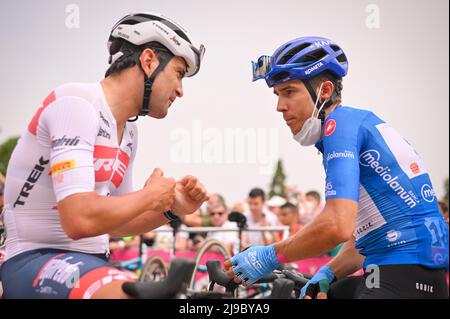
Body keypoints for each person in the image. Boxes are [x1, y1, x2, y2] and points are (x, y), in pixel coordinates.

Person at [0, 12, 208, 299]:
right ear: (148, 61)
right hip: (34, 258)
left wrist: (170, 209)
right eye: (179, 73)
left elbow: (118, 222)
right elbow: (79, 220)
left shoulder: (129, 132)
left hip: (92, 260)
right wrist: (149, 196)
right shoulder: (76, 104)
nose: (181, 91)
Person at [225, 36, 449, 299]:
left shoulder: (339, 125)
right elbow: (369, 233)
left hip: (400, 276)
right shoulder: (360, 124)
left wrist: (269, 255)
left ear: (325, 91)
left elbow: (336, 226)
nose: (279, 107)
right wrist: (329, 272)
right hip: (410, 275)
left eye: (289, 92)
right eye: (277, 94)